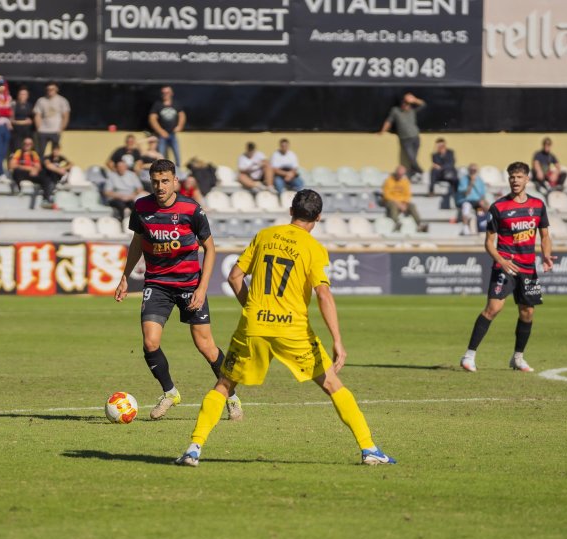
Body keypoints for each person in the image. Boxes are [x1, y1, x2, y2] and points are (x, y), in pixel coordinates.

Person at [174, 189, 394, 467]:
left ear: (291, 211)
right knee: (331, 383)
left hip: (254, 325)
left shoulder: (265, 236)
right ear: (318, 217)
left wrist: (251, 307)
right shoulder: (313, 248)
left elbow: (234, 276)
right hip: (293, 330)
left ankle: (194, 448)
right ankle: (370, 449)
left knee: (225, 384)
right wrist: (337, 339)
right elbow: (323, 294)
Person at [113, 158, 242, 422]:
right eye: (155, 182)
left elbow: (210, 248)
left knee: (205, 345)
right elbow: (137, 242)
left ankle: (231, 396)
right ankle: (170, 392)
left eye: (164, 181)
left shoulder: (191, 209)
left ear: (175, 182)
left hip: (189, 284)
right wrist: (125, 276)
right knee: (150, 341)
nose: (159, 187)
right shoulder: (141, 207)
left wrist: (202, 288)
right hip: (157, 283)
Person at [460, 162, 555, 375]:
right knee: (493, 308)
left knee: (527, 312)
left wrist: (546, 255)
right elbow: (488, 243)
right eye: (512, 177)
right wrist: (501, 261)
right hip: (505, 267)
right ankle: (469, 355)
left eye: (519, 177)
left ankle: (517, 357)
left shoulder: (538, 206)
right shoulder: (498, 208)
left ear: (527, 179)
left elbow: (545, 236)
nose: (515, 181)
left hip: (528, 267)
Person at [379, 92, 424, 179]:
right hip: (405, 139)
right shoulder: (395, 111)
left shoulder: (412, 110)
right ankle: (420, 171)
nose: (407, 106)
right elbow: (389, 121)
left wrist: (414, 99)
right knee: (411, 158)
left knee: (413, 158)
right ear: (402, 104)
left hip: (415, 137)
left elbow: (423, 104)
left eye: (408, 104)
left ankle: (412, 174)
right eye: (405, 104)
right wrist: (382, 131)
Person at [148, 86, 185, 165]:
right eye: (163, 93)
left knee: (177, 154)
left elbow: (182, 115)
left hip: (173, 134)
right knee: (161, 155)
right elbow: (152, 118)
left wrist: (179, 126)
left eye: (167, 92)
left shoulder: (176, 104)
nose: (165, 94)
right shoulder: (158, 104)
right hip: (162, 135)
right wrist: (160, 131)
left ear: (171, 93)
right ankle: (163, 170)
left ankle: (178, 171)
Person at [33, 83, 70, 158]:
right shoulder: (41, 100)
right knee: (40, 152)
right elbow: (37, 115)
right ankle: (41, 168)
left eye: (52, 89)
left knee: (55, 152)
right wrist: (38, 128)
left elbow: (66, 115)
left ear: (56, 89)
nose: (50, 91)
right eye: (48, 89)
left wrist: (61, 129)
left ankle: (53, 168)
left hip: (55, 130)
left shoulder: (62, 100)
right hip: (43, 131)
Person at [456, 164, 488, 236]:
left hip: (477, 202)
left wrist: (483, 203)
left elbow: (482, 194)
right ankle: (465, 227)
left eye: (474, 170)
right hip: (466, 200)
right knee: (466, 206)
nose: (473, 172)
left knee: (484, 208)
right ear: (468, 170)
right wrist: (471, 182)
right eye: (471, 170)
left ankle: (485, 225)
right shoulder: (464, 179)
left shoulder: (480, 180)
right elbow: (466, 193)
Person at [40, 143, 71, 208]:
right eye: (54, 150)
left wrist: (63, 168)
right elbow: (48, 165)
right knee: (49, 183)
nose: (55, 151)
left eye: (57, 150)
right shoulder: (48, 157)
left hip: (58, 178)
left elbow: (71, 164)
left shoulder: (61, 158)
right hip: (48, 177)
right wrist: (59, 170)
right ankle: (47, 200)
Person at [429, 138, 458, 209]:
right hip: (440, 175)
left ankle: (456, 193)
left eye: (441, 145)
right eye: (438, 145)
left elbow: (451, 164)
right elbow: (436, 165)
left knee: (455, 176)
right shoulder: (435, 155)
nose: (440, 147)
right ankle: (431, 190)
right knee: (433, 170)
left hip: (449, 173)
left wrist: (441, 167)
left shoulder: (450, 152)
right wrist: (441, 154)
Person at [10, 85, 34, 152]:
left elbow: (32, 120)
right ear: (18, 95)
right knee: (16, 152)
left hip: (27, 133)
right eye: (21, 94)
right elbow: (10, 120)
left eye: (25, 94)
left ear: (28, 96)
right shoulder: (13, 104)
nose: (23, 96)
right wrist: (23, 122)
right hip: (16, 133)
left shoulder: (30, 105)